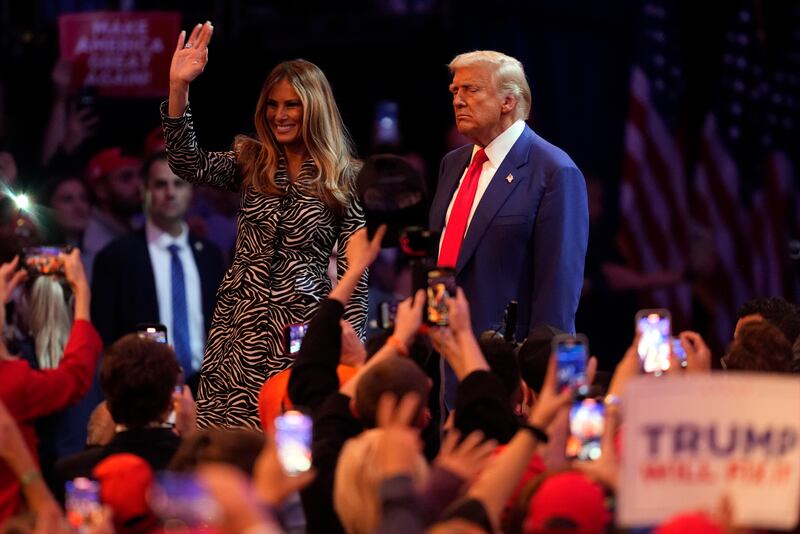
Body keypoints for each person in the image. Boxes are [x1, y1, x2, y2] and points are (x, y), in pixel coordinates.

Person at [162, 22, 368, 429]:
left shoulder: (347, 179)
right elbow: (187, 162)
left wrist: (350, 348)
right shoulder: (252, 161)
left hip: (298, 331)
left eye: (291, 105)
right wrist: (178, 87)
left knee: (286, 436)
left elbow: (354, 275)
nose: (279, 115)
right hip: (237, 325)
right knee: (221, 442)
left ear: (314, 107)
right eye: (272, 105)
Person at [430, 50, 588, 339]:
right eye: (455, 90)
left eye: (471, 89)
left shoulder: (554, 170)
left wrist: (540, 367)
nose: (458, 99)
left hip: (507, 360)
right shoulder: (451, 164)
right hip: (443, 348)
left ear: (508, 101)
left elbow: (558, 288)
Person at [91, 151, 225, 390]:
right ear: (144, 191)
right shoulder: (116, 257)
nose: (170, 192)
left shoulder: (210, 256)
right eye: (161, 184)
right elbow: (103, 336)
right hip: (141, 389)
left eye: (179, 184)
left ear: (191, 192)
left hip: (209, 390)